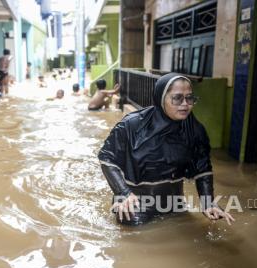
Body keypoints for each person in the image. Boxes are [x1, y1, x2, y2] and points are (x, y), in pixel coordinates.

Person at [98, 73, 235, 226]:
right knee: (136, 236)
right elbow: (107, 158)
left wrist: (208, 203)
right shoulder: (131, 125)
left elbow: (202, 168)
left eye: (189, 98)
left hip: (174, 203)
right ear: (160, 98)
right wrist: (123, 193)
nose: (185, 104)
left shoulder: (194, 129)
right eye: (177, 98)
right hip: (135, 202)